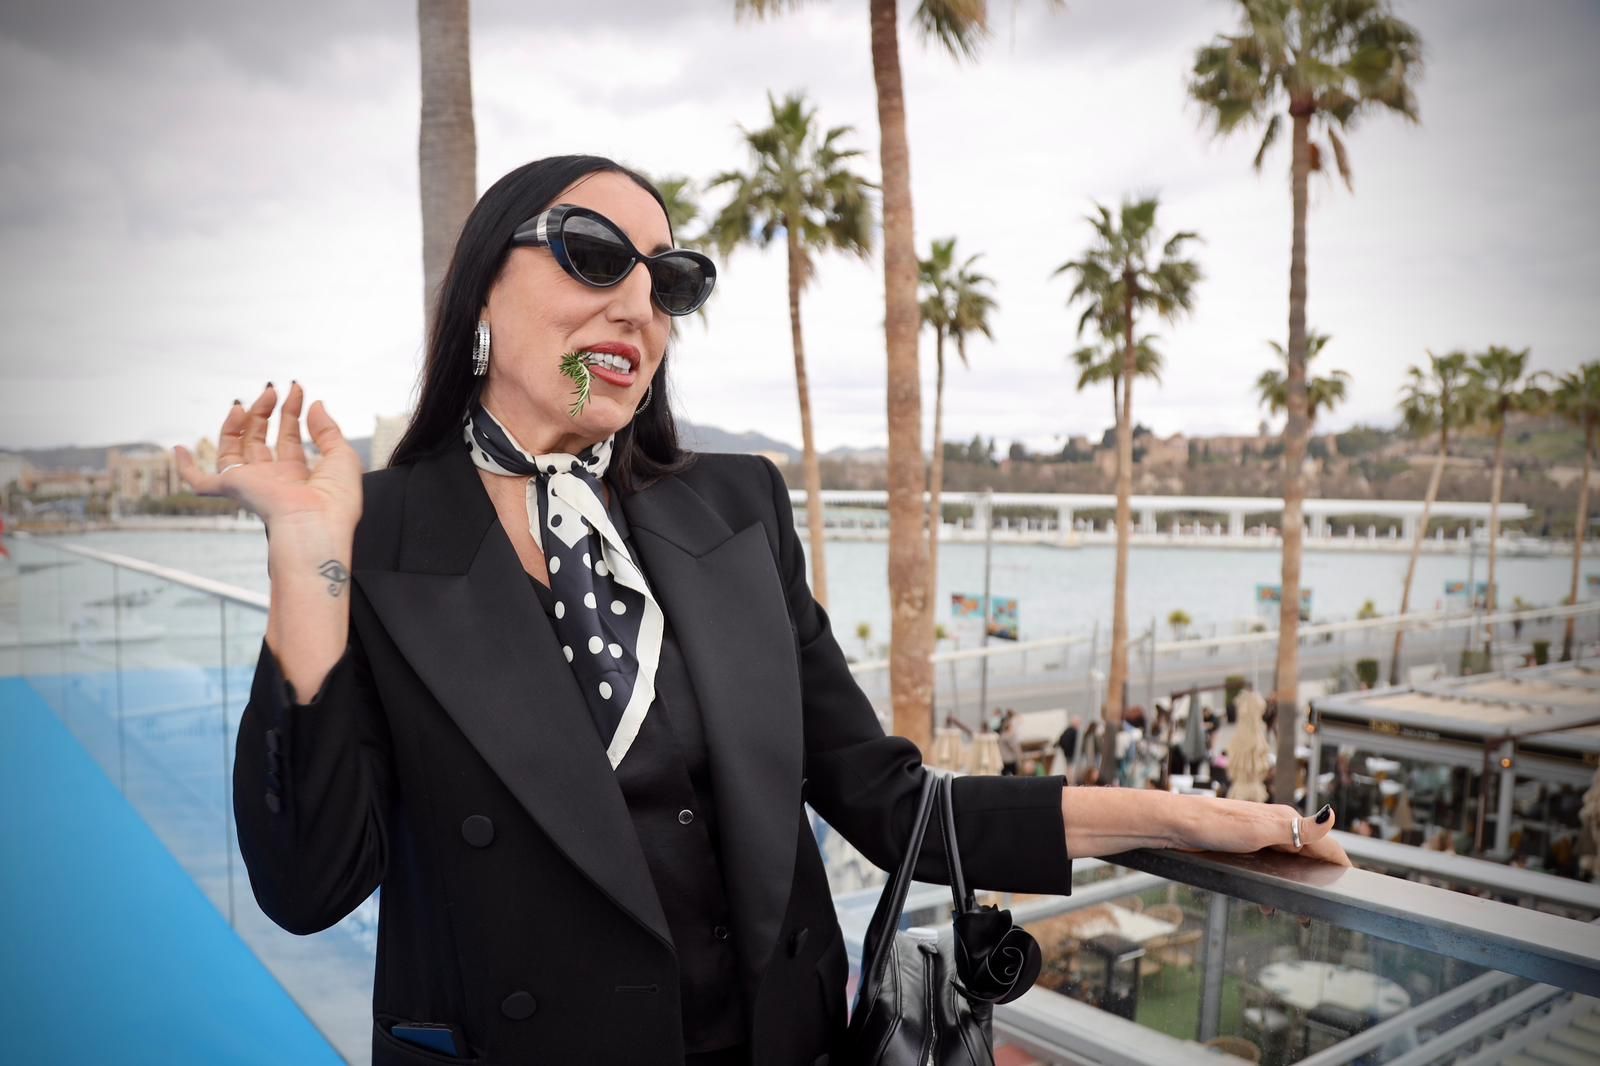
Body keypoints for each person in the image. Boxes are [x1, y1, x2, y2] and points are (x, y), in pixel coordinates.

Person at [175, 155, 1349, 1066]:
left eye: (668, 283)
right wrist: (307, 560)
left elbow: (887, 799)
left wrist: (1179, 819)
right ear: (484, 278)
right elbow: (308, 884)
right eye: (594, 256)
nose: (638, 305)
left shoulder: (732, 509)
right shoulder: (373, 534)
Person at [998, 709, 1022, 776]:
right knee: (1015, 775)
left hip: (1004, 759)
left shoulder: (1002, 736)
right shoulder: (1008, 736)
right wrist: (1019, 755)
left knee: (1003, 775)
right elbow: (1014, 747)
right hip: (1010, 760)